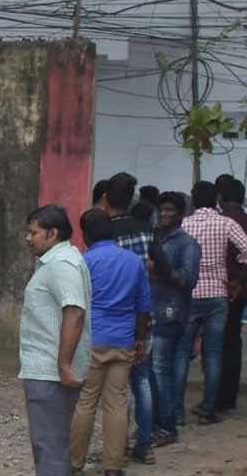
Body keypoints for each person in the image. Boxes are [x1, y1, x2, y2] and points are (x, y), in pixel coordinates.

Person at [70, 209, 151, 476]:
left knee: (86, 402)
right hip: (123, 339)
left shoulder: (85, 262)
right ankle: (113, 467)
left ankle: (74, 463)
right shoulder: (134, 261)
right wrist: (139, 338)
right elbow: (143, 307)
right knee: (116, 403)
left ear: (86, 234)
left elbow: (77, 306)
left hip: (92, 340)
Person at [20, 205, 92, 476]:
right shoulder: (59, 261)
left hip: (50, 372)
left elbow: (74, 312)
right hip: (48, 370)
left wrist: (63, 365)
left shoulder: (62, 264)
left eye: (33, 233)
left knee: (49, 448)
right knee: (50, 445)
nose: (28, 238)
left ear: (52, 233)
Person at [103, 172, 168, 465]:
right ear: (132, 200)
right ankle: (144, 444)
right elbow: (163, 267)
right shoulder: (147, 229)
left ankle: (115, 449)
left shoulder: (104, 233)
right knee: (141, 380)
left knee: (114, 390)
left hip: (110, 320)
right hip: (142, 315)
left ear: (106, 199)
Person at [175, 180, 247, 424]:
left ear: (192, 200)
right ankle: (208, 408)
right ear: (216, 199)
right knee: (214, 352)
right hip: (218, 293)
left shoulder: (183, 224)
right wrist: (237, 279)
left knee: (183, 351)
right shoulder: (225, 223)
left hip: (190, 294)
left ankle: (176, 411)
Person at [149, 191, 200, 446]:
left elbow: (189, 279)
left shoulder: (186, 243)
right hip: (152, 311)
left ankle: (167, 427)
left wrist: (162, 270)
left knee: (161, 370)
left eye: (170, 210)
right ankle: (154, 425)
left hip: (172, 312)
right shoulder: (154, 238)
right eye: (162, 209)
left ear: (181, 215)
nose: (164, 214)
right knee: (150, 373)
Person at [215, 179, 247, 412]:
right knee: (232, 340)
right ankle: (228, 394)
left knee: (220, 343)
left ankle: (220, 396)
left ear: (221, 197)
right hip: (240, 287)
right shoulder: (244, 218)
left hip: (225, 287)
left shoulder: (223, 221)